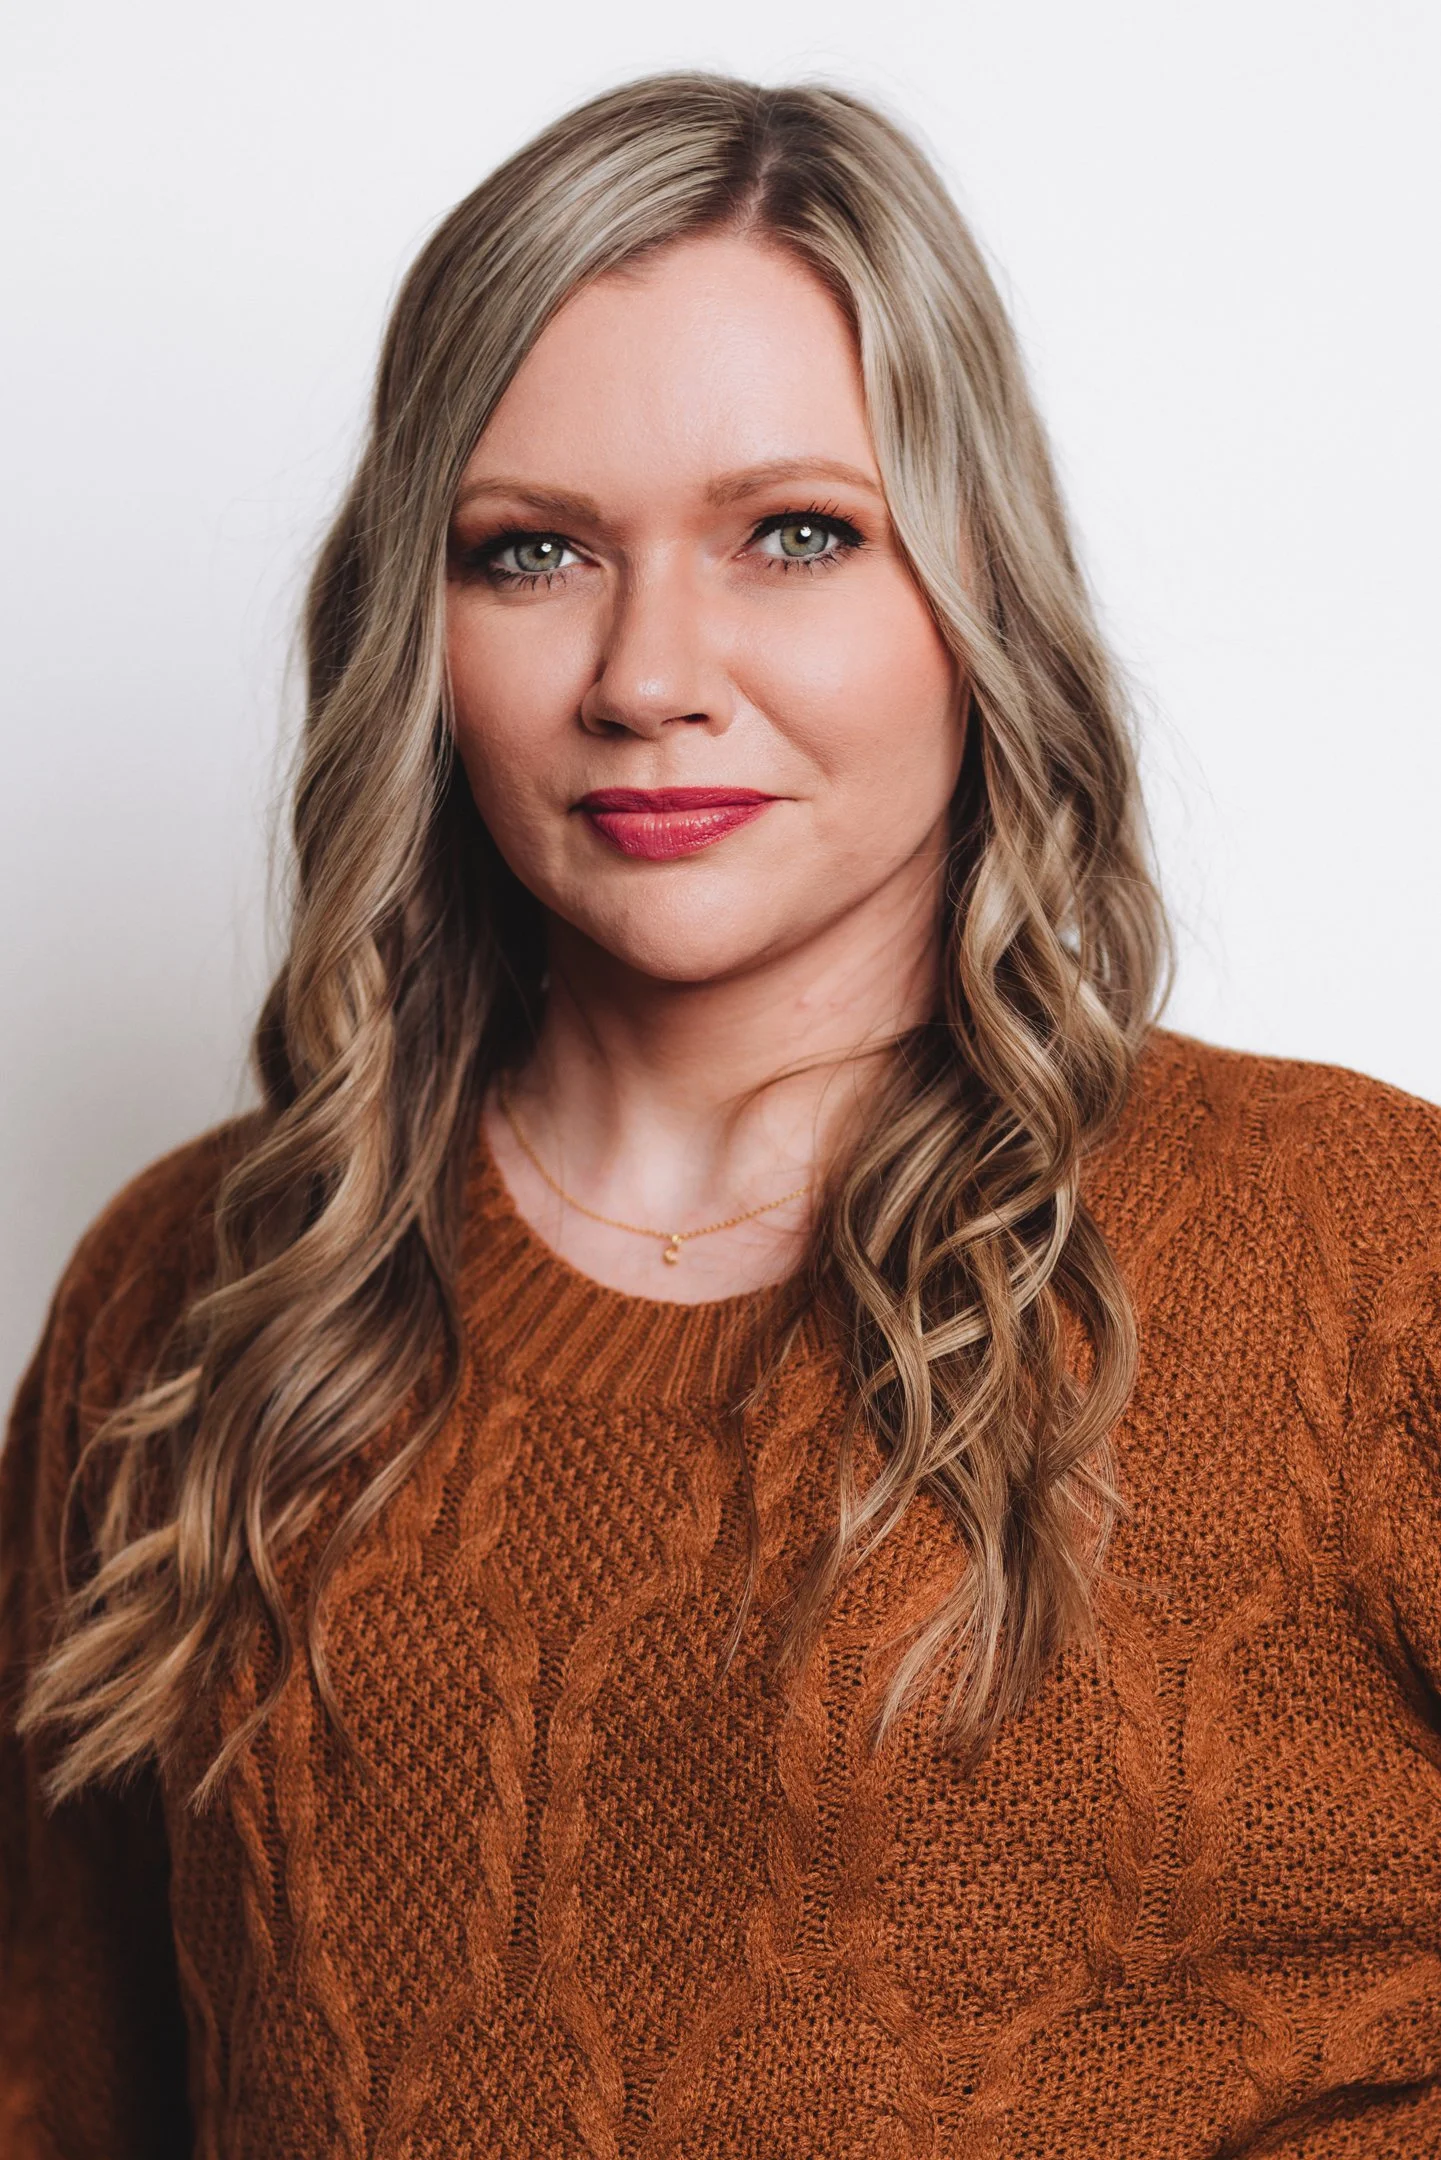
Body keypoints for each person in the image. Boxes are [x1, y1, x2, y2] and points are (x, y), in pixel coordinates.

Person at [2, 70, 1438, 2160]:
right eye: (531, 552)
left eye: (794, 535)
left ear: (971, 595)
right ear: (421, 625)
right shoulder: (200, 1302)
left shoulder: (1362, 1256)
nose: (649, 672)